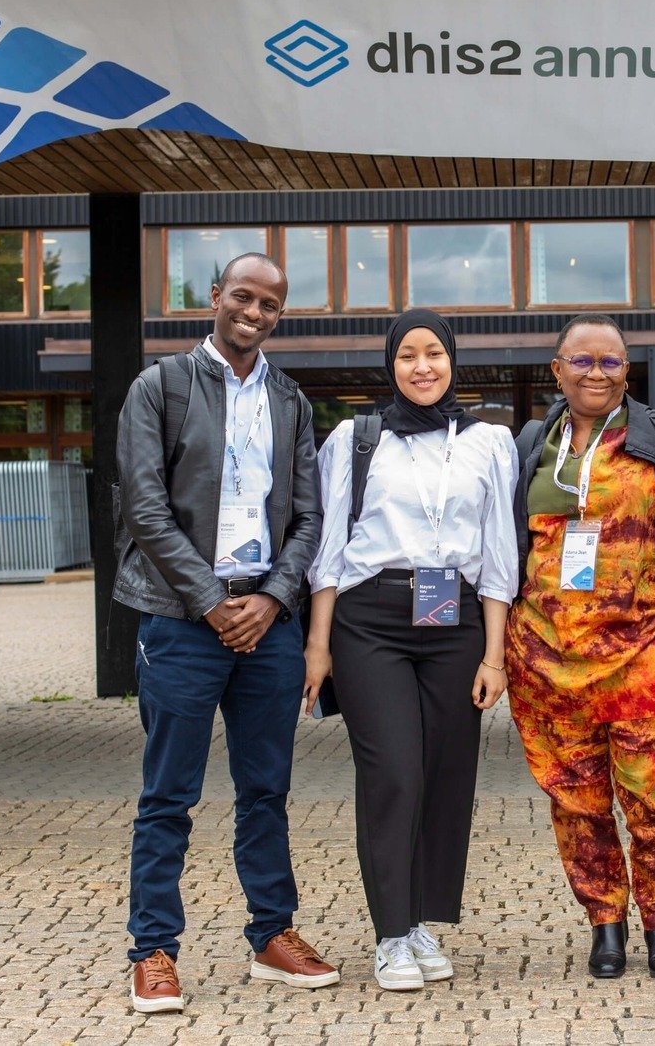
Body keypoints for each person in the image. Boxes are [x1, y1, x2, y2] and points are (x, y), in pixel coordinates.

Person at [114, 252, 335, 1014]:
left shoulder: (290, 399)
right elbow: (144, 508)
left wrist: (272, 600)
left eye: (271, 303)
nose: (255, 311)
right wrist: (212, 601)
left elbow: (309, 517)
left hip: (266, 625)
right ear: (214, 298)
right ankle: (153, 949)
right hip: (181, 620)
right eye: (243, 296)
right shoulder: (160, 387)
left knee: (265, 791)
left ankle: (272, 934)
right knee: (167, 794)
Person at [304, 308, 518, 991]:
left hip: (455, 619)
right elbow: (329, 549)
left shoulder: (488, 442)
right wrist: (317, 644)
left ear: (452, 361)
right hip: (369, 622)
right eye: (407, 355)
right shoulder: (354, 438)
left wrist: (494, 654)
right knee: (394, 771)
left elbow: (497, 554)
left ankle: (422, 919)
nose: (421, 366)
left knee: (446, 774)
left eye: (433, 353)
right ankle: (391, 935)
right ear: (389, 364)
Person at [506, 315, 655, 980]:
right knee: (576, 803)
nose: (595, 373)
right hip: (544, 661)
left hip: (643, 655)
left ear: (625, 369)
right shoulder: (530, 443)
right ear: (557, 369)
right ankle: (604, 923)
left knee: (652, 800)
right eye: (582, 361)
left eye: (609, 361)